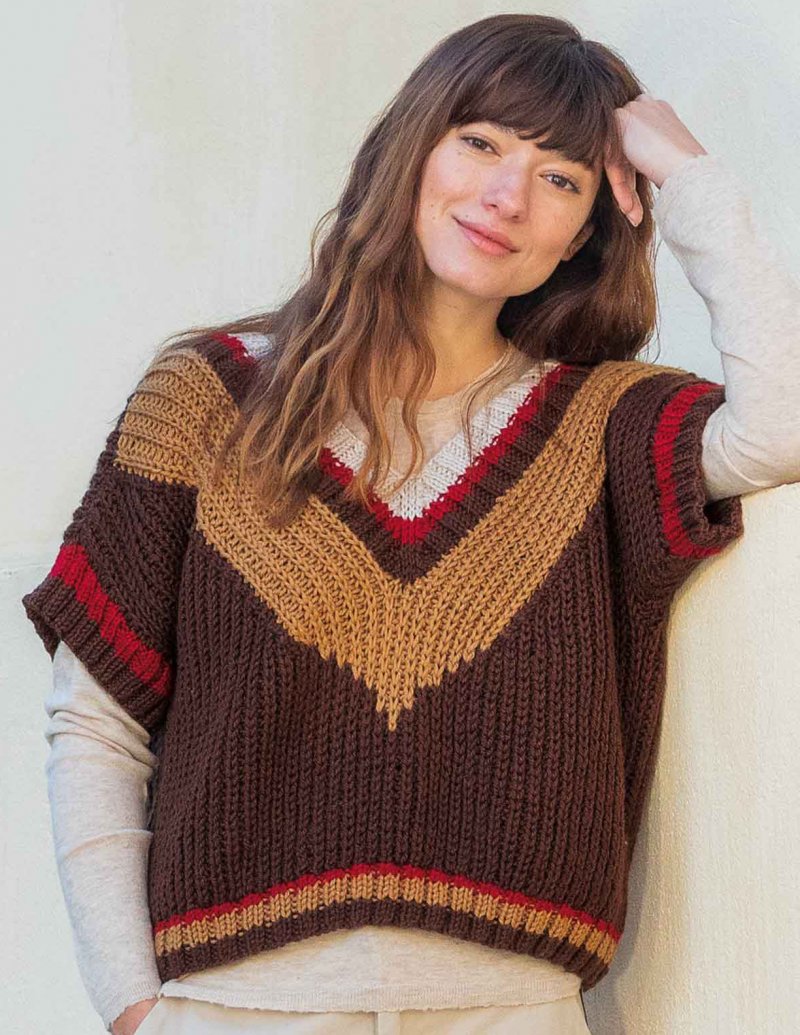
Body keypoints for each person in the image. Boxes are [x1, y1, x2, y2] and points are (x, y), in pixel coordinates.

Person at [21, 13, 800, 1035]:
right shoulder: (206, 398)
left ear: (584, 234)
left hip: (512, 1013)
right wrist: (134, 1009)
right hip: (235, 1008)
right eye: (479, 141)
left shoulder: (604, 424)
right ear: (411, 146)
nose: (507, 196)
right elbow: (95, 723)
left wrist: (690, 177)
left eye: (560, 178)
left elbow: (781, 426)